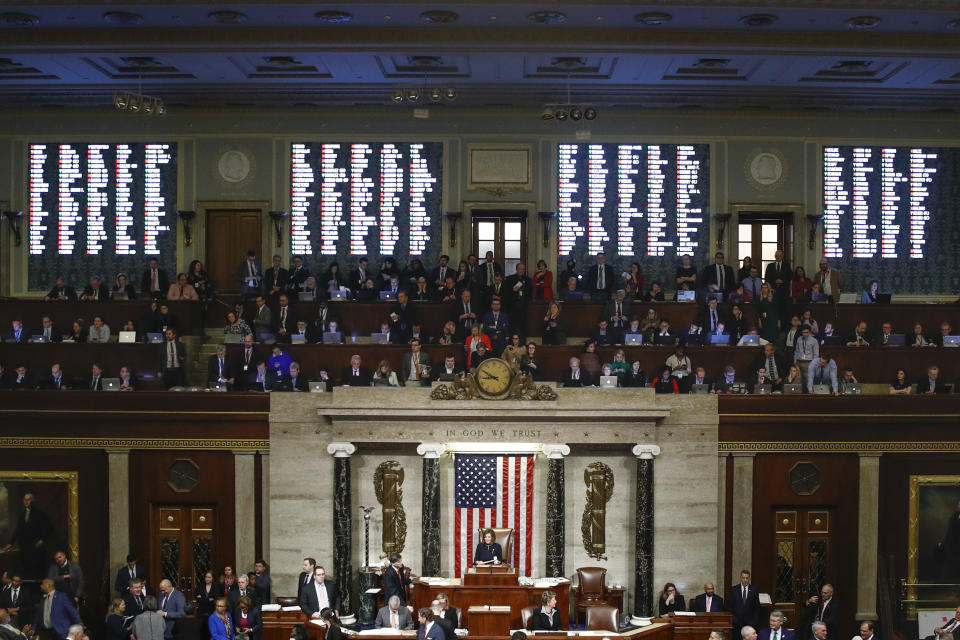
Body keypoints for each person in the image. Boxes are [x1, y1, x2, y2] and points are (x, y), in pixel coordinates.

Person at [729, 570, 760, 639]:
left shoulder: (754, 590)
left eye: (747, 578)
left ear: (749, 579)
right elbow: (731, 607)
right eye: (743, 578)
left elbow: (757, 607)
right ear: (740, 578)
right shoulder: (734, 589)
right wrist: (734, 619)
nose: (745, 580)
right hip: (737, 623)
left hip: (750, 624)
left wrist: (754, 621)